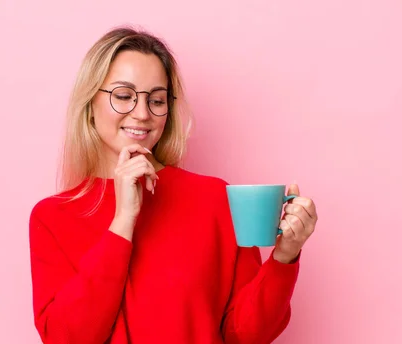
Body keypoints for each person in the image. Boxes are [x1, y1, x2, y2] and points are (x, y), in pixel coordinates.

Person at [28, 26, 318, 344]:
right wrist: (123, 221)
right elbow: (65, 338)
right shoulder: (53, 216)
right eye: (123, 96)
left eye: (156, 100)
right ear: (89, 104)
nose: (142, 114)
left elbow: (244, 334)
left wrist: (284, 258)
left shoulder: (215, 199)